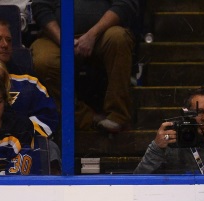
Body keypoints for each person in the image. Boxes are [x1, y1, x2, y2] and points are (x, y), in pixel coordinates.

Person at [30, 0, 138, 132]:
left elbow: (125, 4)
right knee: (43, 60)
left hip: (102, 32)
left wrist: (92, 34)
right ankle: (85, 118)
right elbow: (41, 7)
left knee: (119, 39)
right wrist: (63, 40)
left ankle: (117, 116)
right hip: (55, 36)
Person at [134, 87, 204, 175]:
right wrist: (156, 148)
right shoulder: (171, 144)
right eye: (199, 112)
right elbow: (137, 181)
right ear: (186, 115)